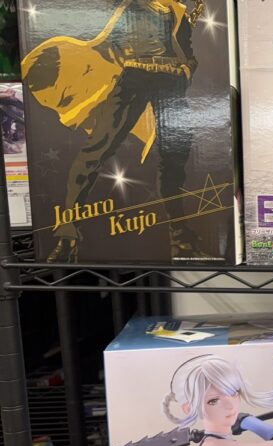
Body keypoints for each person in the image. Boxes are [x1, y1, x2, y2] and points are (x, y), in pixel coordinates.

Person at [23, 0, 211, 262]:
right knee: (96, 149)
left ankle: (181, 239)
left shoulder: (177, 12)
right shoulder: (132, 4)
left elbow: (188, 52)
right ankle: (67, 236)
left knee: (173, 161)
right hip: (135, 77)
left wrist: (186, 69)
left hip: (170, 82)